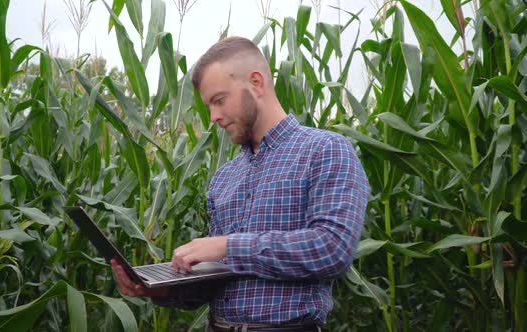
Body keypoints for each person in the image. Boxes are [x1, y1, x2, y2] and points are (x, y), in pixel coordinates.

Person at [111, 36, 370, 332]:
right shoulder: (224, 177)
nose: (214, 117)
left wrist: (226, 246)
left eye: (219, 100)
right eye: (209, 106)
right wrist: (161, 290)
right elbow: (219, 281)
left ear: (256, 83)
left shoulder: (326, 150)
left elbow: (332, 249)